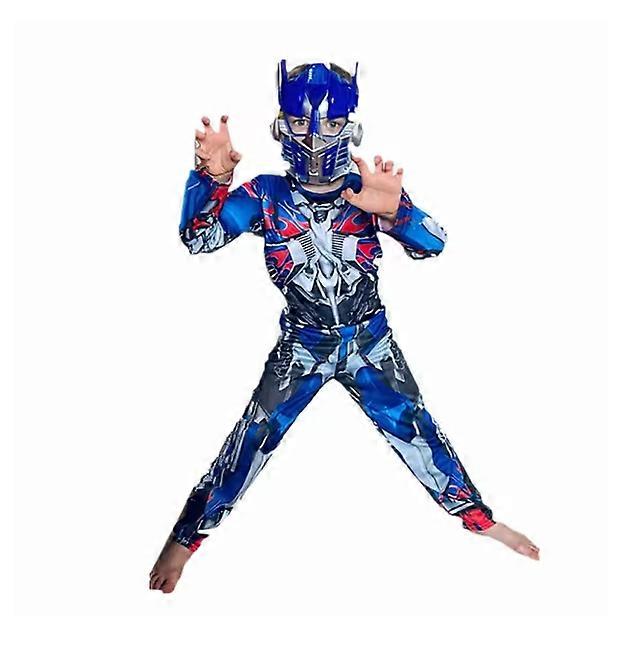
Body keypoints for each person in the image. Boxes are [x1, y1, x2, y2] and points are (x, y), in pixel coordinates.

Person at [150, 61, 539, 594]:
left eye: (331, 123)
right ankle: (185, 539)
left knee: (417, 430)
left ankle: (479, 520)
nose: (314, 136)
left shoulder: (365, 191)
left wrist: (397, 211)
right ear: (280, 125)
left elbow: (435, 243)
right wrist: (211, 179)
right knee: (252, 437)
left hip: (370, 342)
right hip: (303, 346)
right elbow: (199, 238)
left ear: (351, 127)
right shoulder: (266, 196)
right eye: (300, 122)